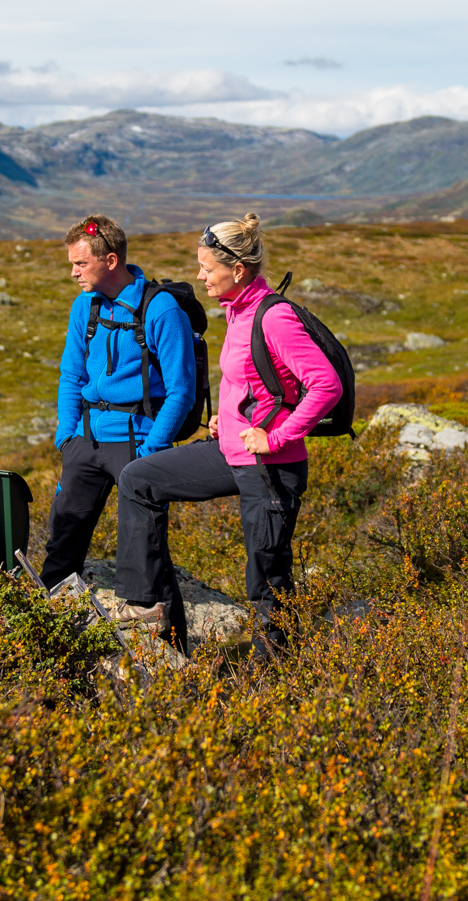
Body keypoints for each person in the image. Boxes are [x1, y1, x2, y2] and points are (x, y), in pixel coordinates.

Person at [114, 213, 341, 656]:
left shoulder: (273, 316)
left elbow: (325, 384)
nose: (199, 276)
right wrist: (230, 419)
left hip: (270, 467)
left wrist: (275, 438)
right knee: (138, 479)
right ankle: (148, 605)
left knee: (267, 581)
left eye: (207, 268)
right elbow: (252, 382)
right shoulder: (237, 312)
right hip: (233, 450)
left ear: (237, 271)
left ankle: (274, 678)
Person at [42, 214, 198, 590]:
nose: (74, 273)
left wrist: (151, 449)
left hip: (137, 443)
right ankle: (46, 629)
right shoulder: (84, 306)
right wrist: (67, 436)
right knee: (61, 544)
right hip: (85, 440)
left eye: (81, 264)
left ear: (110, 261)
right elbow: (71, 375)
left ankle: (161, 640)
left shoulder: (161, 310)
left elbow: (182, 391)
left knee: (144, 549)